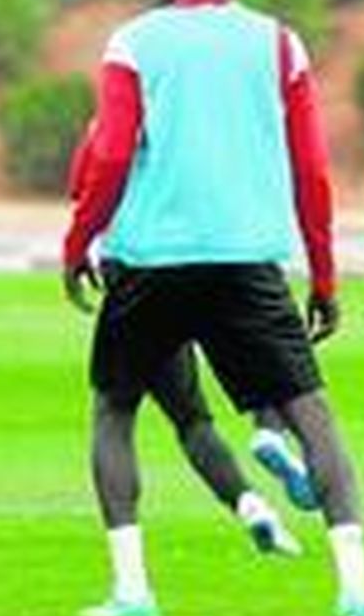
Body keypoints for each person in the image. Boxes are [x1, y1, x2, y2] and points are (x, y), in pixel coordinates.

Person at [61, 0, 364, 616]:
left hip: (150, 259)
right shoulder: (276, 43)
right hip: (245, 260)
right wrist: (323, 274)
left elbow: (111, 152)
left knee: (115, 410)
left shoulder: (133, 42)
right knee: (312, 416)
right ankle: (355, 586)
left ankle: (132, 588)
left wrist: (80, 239)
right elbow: (311, 170)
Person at [66, 127, 305, 558]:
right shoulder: (204, 121)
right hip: (211, 258)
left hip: (138, 273)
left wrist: (78, 248)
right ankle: (261, 461)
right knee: (234, 389)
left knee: (139, 413)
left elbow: (87, 183)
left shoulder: (114, 115)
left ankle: (131, 580)